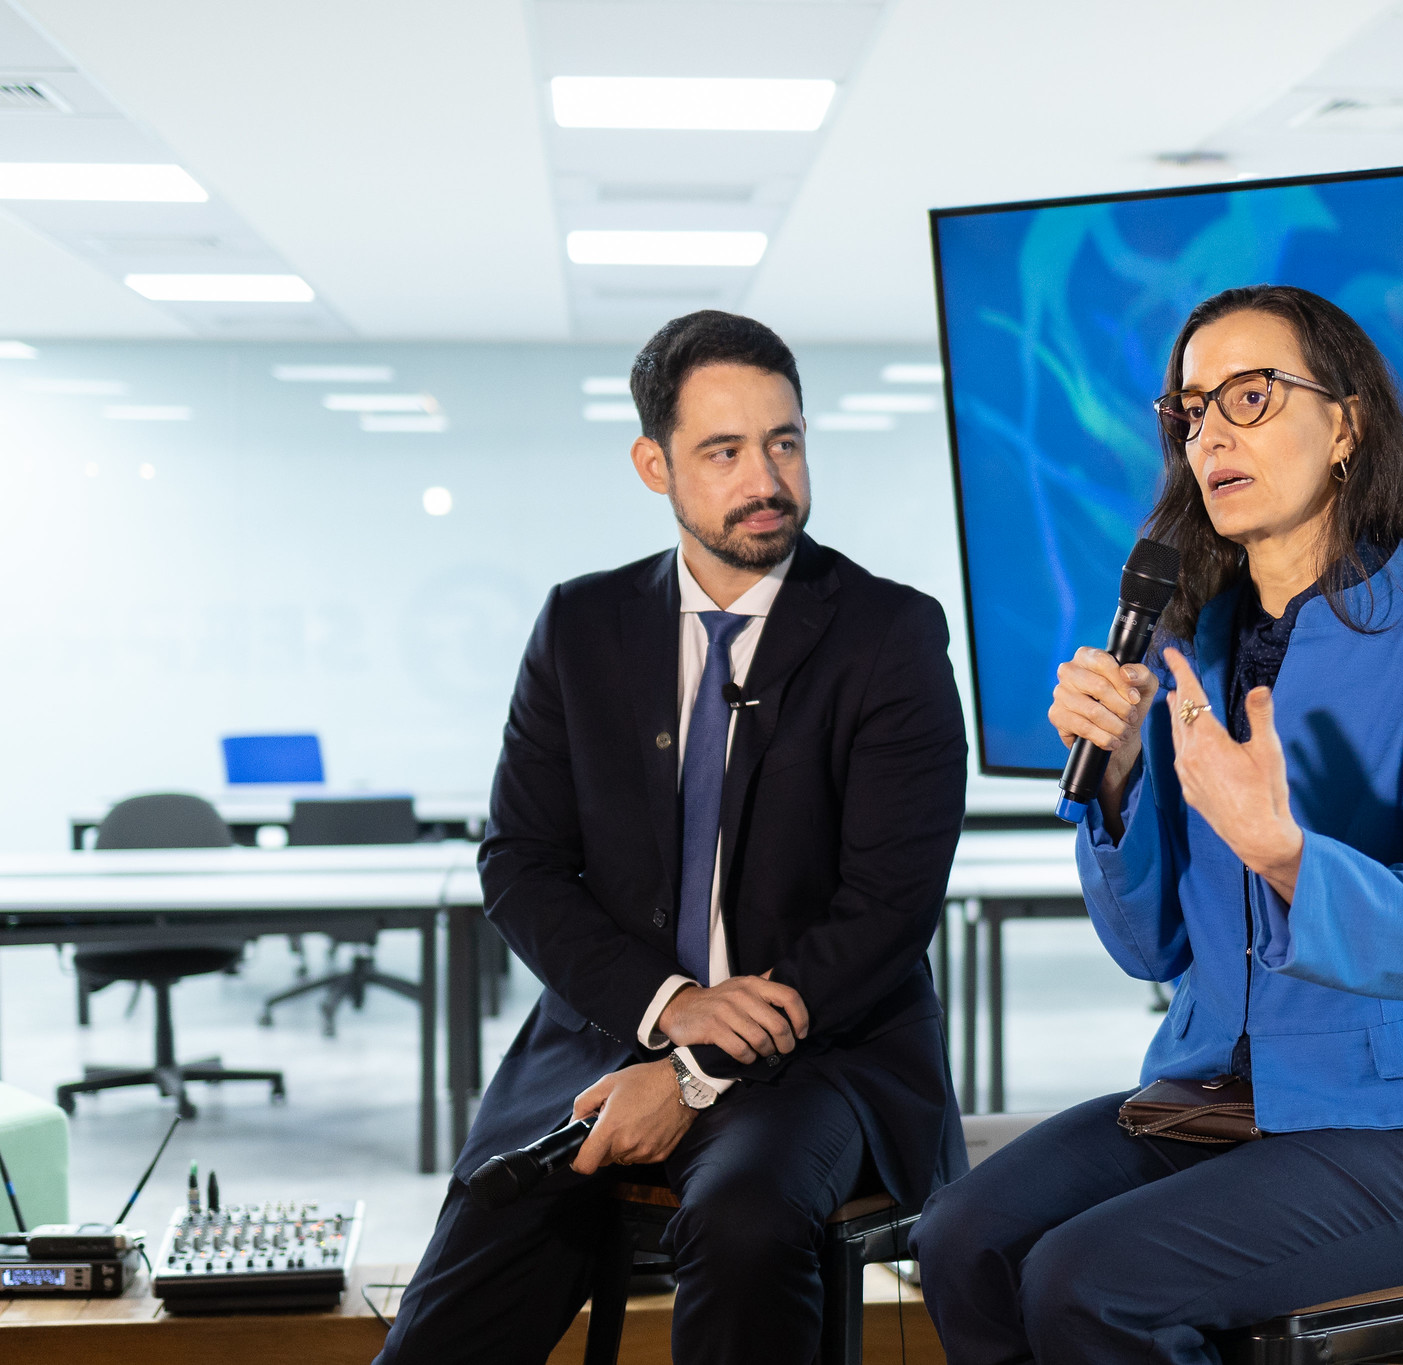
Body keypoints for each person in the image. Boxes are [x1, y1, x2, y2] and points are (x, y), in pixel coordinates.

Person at [913, 284, 1403, 1363]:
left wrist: (1284, 850)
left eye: (1248, 397)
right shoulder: (1186, 645)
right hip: (1213, 1095)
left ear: (1345, 424)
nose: (1209, 431)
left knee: (1088, 1283)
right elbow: (1149, 949)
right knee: (960, 1239)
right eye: (1190, 410)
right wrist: (1115, 782)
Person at [375, 310, 969, 1365]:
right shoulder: (580, 626)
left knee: (742, 1222)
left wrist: (692, 1067)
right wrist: (667, 1011)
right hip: (605, 1031)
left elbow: (887, 910)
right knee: (483, 1249)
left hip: (819, 1052)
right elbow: (519, 862)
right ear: (654, 464)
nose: (766, 478)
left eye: (784, 442)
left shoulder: (891, 634)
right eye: (724, 450)